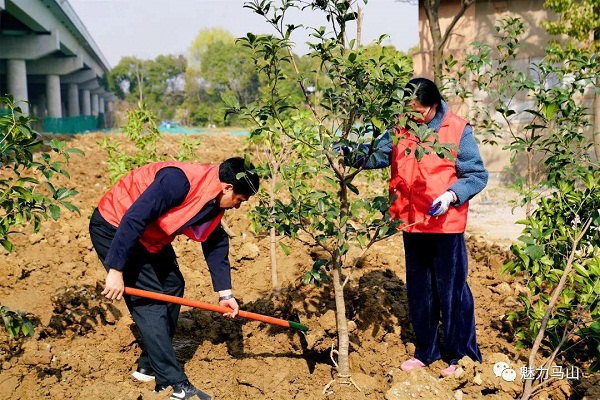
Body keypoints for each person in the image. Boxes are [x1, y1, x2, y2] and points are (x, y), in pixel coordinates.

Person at [345, 77, 487, 377]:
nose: (413, 117)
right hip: (412, 223)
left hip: (446, 226)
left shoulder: (457, 129)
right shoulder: (400, 128)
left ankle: (460, 355)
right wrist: (346, 150)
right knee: (420, 293)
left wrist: (452, 195)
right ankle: (426, 351)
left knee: (451, 292)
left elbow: (476, 174)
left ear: (433, 106)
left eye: (418, 111)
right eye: (408, 111)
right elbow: (378, 155)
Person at [88, 157, 260, 400]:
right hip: (115, 227)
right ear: (228, 187)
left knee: (172, 285)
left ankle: (149, 365)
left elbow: (214, 240)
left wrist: (225, 294)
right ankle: (174, 385)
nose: (238, 206)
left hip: (148, 234)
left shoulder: (212, 197)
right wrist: (116, 269)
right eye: (239, 201)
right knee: (151, 303)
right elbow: (134, 218)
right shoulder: (178, 181)